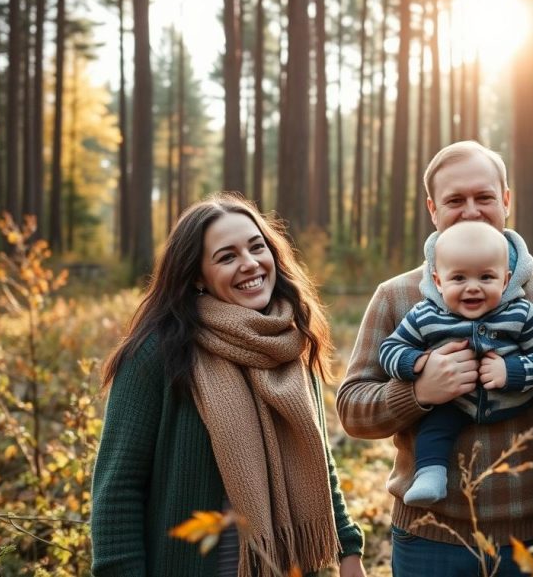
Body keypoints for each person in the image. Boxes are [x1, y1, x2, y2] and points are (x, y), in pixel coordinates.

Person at [91, 193, 365, 577]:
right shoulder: (158, 352)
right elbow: (117, 490)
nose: (250, 264)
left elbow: (316, 456)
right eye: (227, 256)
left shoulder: (290, 340)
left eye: (257, 247)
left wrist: (348, 549)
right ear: (197, 276)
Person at [337, 141, 533, 576]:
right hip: (429, 536)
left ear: (507, 200)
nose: (472, 211)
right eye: (455, 200)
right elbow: (352, 409)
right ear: (432, 209)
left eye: (484, 197)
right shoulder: (397, 296)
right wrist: (419, 392)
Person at [379, 221, 533, 507]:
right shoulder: (424, 316)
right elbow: (390, 349)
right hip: (454, 404)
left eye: (486, 278)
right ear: (438, 281)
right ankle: (429, 476)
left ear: (506, 279)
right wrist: (419, 362)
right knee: (434, 428)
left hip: (513, 404)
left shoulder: (522, 313)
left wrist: (513, 371)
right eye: (459, 278)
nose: (473, 288)